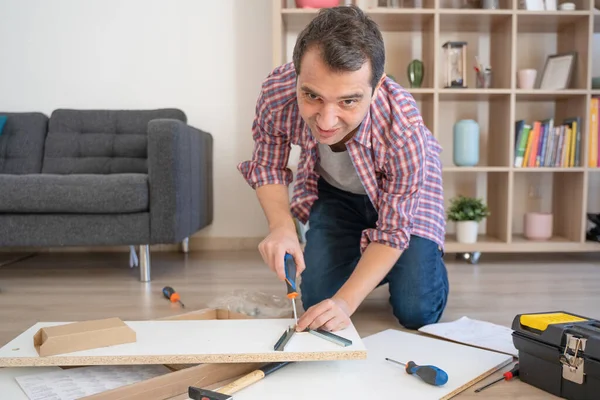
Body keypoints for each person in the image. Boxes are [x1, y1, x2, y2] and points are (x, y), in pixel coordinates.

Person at [237, 5, 448, 332]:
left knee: (417, 311)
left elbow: (392, 231)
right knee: (317, 298)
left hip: (405, 201)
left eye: (348, 101)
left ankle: (410, 261)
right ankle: (375, 264)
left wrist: (346, 303)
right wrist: (281, 227)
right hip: (337, 194)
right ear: (296, 75)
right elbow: (268, 166)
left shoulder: (403, 127)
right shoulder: (277, 92)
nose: (326, 121)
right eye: (312, 96)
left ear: (377, 89)